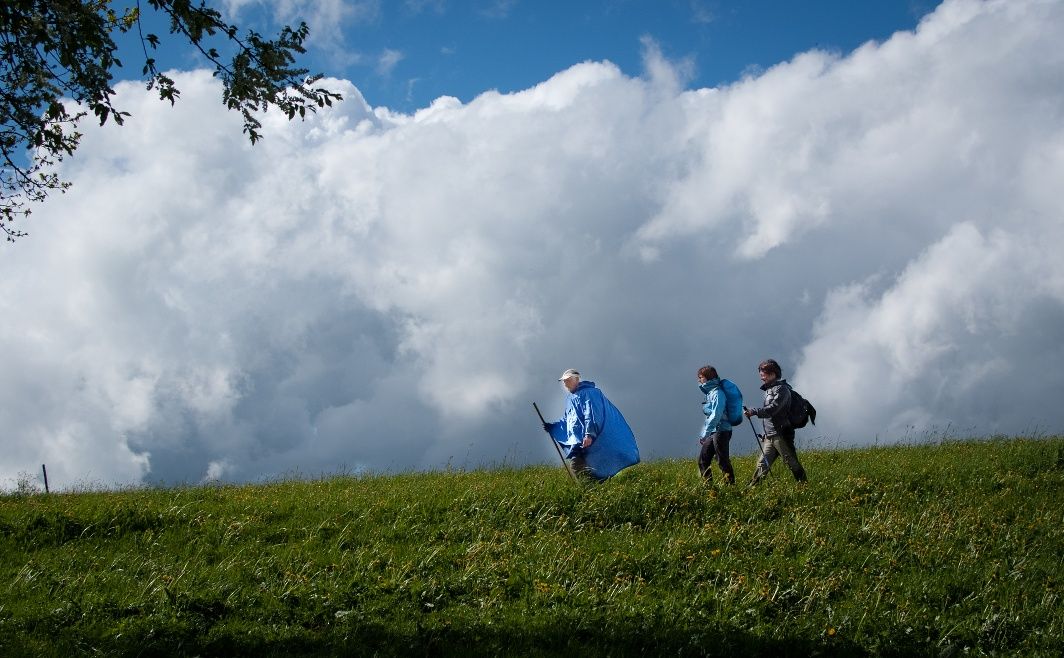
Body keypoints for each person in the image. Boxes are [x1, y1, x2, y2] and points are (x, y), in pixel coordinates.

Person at [542, 369, 640, 481]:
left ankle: (591, 489)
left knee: (585, 466)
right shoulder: (570, 399)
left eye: (568, 380)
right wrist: (553, 427)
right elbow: (567, 420)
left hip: (589, 440)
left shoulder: (590, 393)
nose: (565, 383)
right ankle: (592, 490)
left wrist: (589, 434)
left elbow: (592, 413)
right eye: (564, 381)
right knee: (580, 465)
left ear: (577, 379)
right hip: (577, 441)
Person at [743, 358, 808, 484]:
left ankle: (804, 486)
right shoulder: (770, 390)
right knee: (762, 464)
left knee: (791, 462)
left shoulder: (782, 389)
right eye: (761, 374)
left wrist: (754, 411)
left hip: (781, 433)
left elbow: (774, 409)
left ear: (773, 374)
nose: (761, 377)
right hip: (770, 435)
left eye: (763, 374)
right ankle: (751, 489)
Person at [696, 365, 734, 485]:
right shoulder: (710, 393)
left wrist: (705, 433)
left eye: (700, 377)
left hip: (722, 431)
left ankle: (731, 488)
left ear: (707, 378)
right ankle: (709, 488)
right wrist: (706, 433)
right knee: (703, 460)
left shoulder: (718, 393)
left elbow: (716, 415)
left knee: (722, 461)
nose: (699, 380)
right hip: (714, 431)